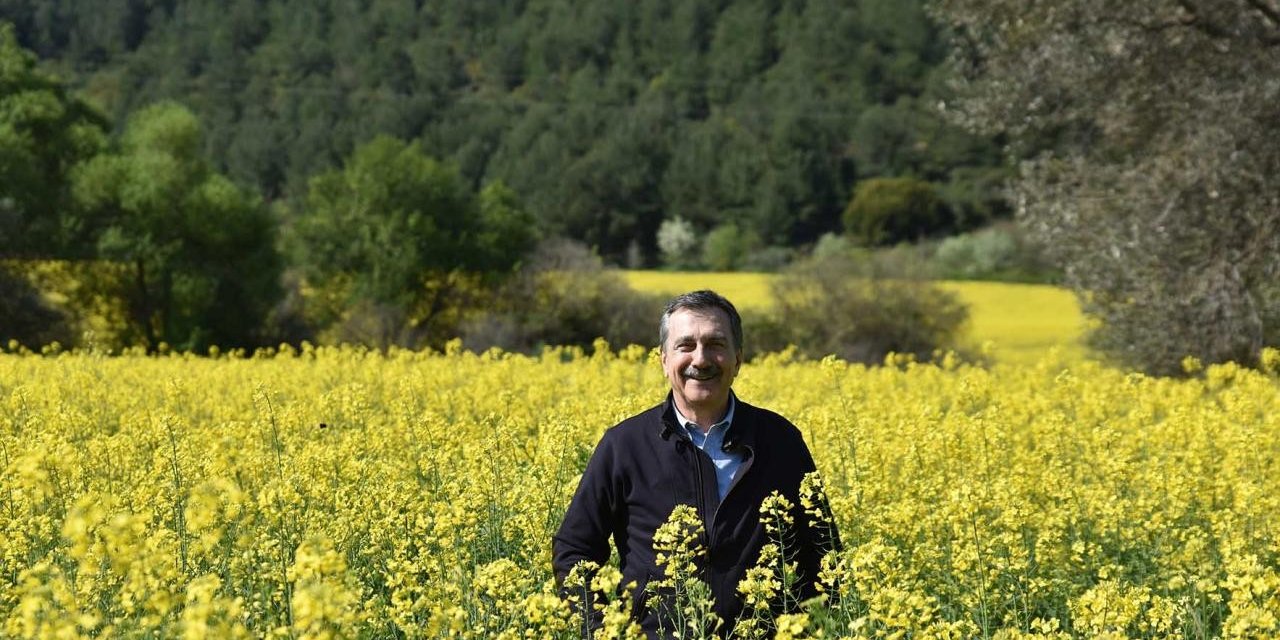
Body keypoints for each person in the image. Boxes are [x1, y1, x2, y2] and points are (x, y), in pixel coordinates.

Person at [553, 290, 837, 637]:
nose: (700, 360)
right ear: (663, 360)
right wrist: (604, 631)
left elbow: (823, 553)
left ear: (738, 359)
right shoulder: (624, 445)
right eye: (685, 345)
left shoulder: (780, 441)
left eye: (716, 344)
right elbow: (574, 550)